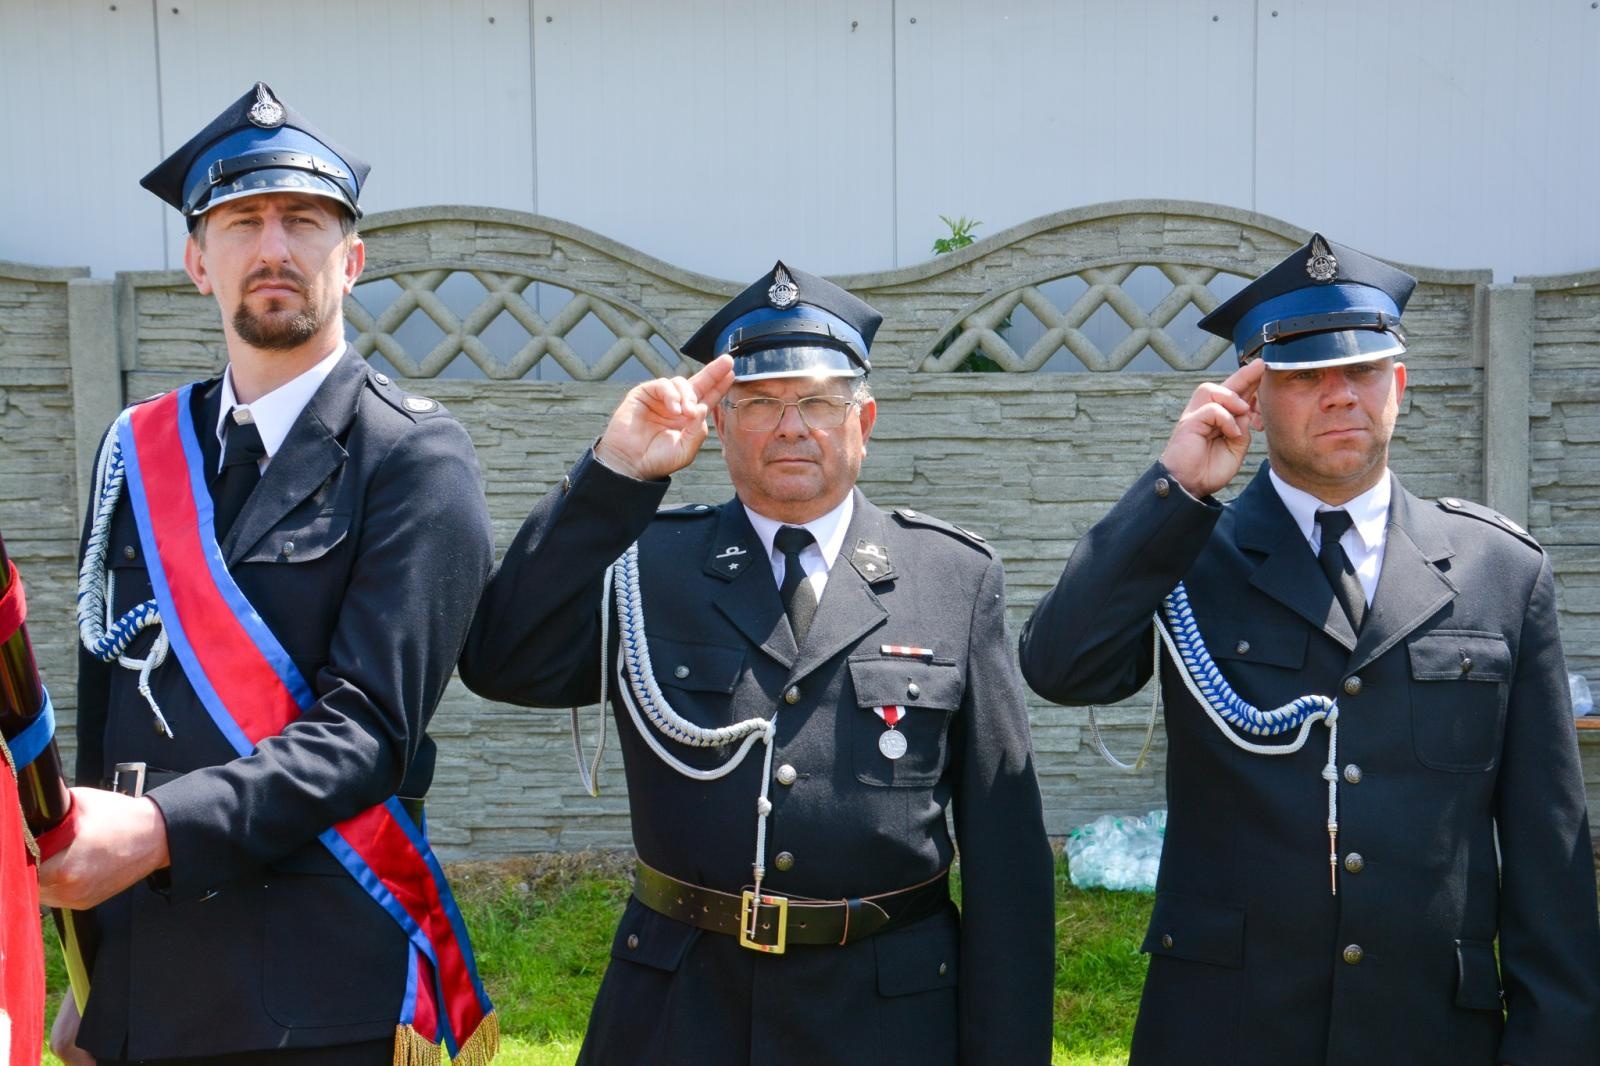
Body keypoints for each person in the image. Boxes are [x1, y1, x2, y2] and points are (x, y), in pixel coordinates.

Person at [1018, 234, 1600, 1064]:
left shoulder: (1498, 570)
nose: (1340, 396)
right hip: (1227, 1028)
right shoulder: (1187, 552)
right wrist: (1173, 490)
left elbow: (1550, 853)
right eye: (1305, 377)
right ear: (1253, 399)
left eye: (1362, 371)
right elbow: (1059, 667)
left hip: (1429, 1030)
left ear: (1398, 386)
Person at [459, 262, 1055, 1065]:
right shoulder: (647, 562)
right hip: (684, 1005)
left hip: (889, 1014)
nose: (790, 427)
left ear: (864, 419)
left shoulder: (952, 576)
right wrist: (615, 474)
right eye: (760, 403)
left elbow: (1006, 856)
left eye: (818, 401)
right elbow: (503, 660)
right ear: (719, 423)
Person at [38, 83, 498, 1065]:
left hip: (312, 983)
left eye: (304, 221)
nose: (274, 247)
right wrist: (91, 966)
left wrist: (155, 830)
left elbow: (368, 732)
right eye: (243, 222)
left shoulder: (414, 456)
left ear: (352, 260)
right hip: (147, 969)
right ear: (198, 262)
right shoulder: (137, 448)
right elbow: (107, 721)